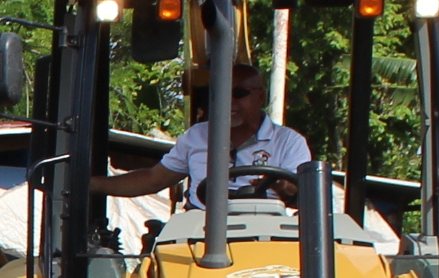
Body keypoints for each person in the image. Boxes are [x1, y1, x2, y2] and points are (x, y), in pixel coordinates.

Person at [95, 55, 312, 203]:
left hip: (266, 235)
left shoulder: (289, 142)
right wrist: (92, 185)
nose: (229, 102)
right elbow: (154, 179)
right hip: (199, 232)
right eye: (222, 93)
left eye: (239, 93)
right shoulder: (196, 136)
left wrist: (284, 188)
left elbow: (305, 197)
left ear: (260, 97)